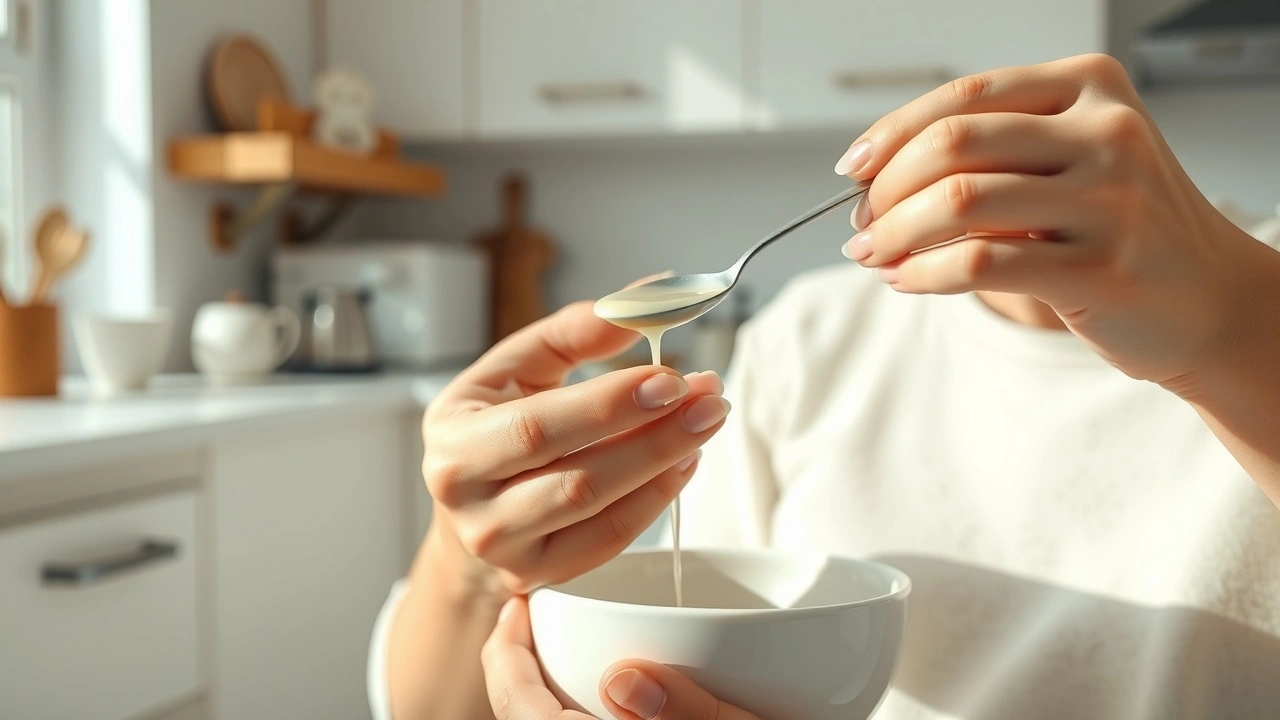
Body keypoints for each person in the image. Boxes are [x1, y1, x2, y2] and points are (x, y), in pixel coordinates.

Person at [369, 54, 1280, 720]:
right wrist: (470, 569)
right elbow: (429, 709)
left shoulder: (1238, 299)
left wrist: (1237, 327)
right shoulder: (812, 338)